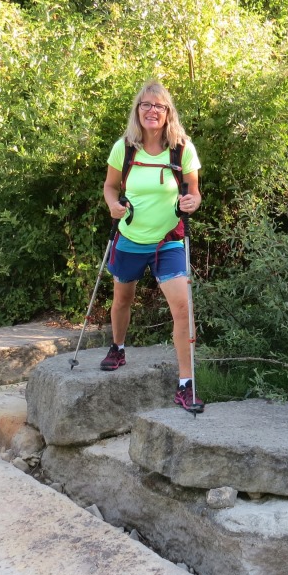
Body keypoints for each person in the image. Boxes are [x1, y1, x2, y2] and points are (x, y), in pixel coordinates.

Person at [100, 80, 203, 412]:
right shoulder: (124, 148)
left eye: (158, 106)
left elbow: (194, 192)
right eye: (145, 105)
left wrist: (191, 203)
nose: (152, 111)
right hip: (130, 237)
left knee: (183, 308)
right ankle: (118, 347)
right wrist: (113, 205)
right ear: (137, 111)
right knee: (122, 300)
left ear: (168, 112)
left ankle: (185, 385)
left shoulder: (183, 148)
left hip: (168, 240)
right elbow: (110, 187)